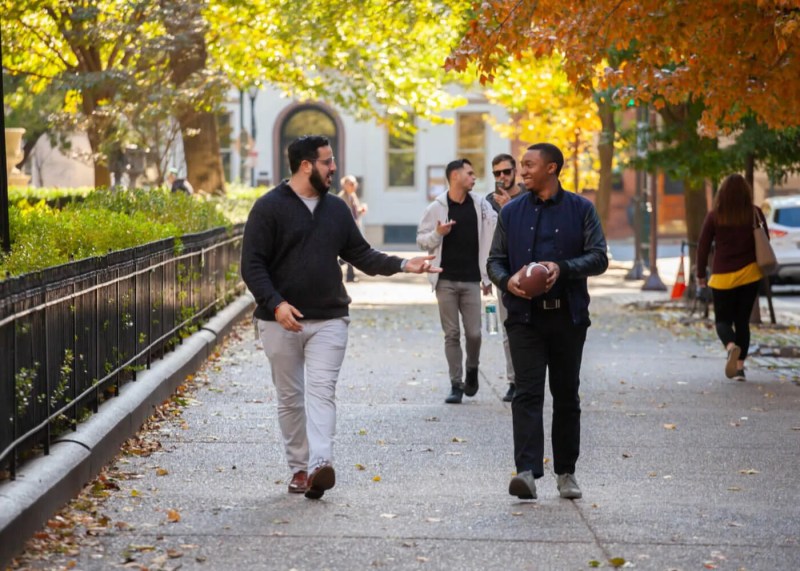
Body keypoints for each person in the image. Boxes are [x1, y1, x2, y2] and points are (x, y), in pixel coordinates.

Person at [241, 135, 440, 500]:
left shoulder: (336, 209)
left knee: (321, 392)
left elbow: (361, 254)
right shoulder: (268, 208)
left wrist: (402, 264)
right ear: (306, 166)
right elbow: (251, 265)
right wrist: (275, 304)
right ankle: (299, 468)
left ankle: (320, 464)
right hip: (279, 320)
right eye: (327, 162)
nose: (334, 168)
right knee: (290, 396)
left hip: (330, 316)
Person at [487, 143, 607, 501]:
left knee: (566, 395)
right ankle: (526, 472)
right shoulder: (511, 213)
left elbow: (599, 257)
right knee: (527, 393)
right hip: (523, 318)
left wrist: (563, 268)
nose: (522, 171)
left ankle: (566, 472)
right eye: (521, 165)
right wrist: (506, 281)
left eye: (528, 165)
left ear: (551, 168)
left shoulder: (581, 209)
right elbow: (495, 261)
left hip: (568, 316)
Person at [417, 158, 497, 404]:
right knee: (451, 334)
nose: (474, 178)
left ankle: (472, 368)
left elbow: (495, 231)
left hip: (473, 280)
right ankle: (456, 383)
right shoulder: (437, 207)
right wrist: (437, 234)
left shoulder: (481, 206)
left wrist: (488, 275)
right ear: (455, 176)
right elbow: (422, 240)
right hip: (445, 281)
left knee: (474, 334)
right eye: (470, 174)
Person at [696, 173, 768, 382]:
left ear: (722, 193)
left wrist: (701, 274)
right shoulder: (755, 213)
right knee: (742, 322)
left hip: (722, 277)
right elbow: (765, 240)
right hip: (750, 274)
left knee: (723, 321)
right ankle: (740, 368)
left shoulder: (715, 215)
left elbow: (702, 247)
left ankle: (730, 346)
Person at [487, 153, 525, 403]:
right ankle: (514, 381)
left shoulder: (527, 197)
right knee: (508, 330)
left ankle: (532, 378)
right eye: (497, 173)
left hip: (530, 271)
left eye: (506, 172)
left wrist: (510, 206)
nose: (502, 177)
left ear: (515, 172)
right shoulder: (489, 202)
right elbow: (486, 240)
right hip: (503, 274)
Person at [338, 175, 368, 282]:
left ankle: (350, 275)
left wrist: (361, 210)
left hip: (353, 229)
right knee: (349, 252)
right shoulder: (341, 197)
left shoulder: (353, 196)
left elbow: (355, 213)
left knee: (351, 252)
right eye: (351, 184)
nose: (353, 186)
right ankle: (338, 267)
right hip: (346, 230)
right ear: (345, 185)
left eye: (354, 184)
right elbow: (343, 214)